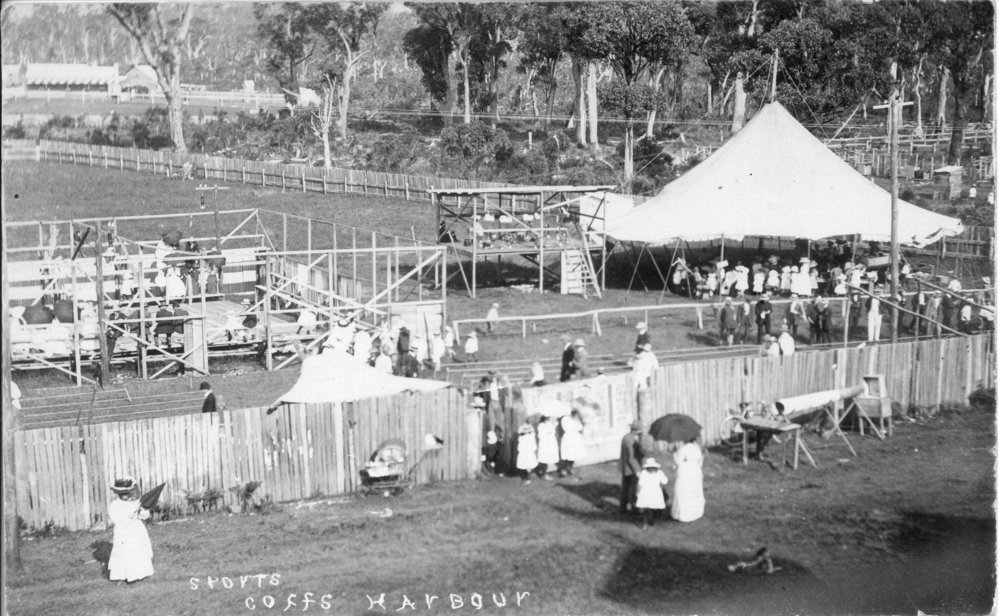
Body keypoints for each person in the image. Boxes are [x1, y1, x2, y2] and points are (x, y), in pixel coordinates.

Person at [107, 478, 154, 583]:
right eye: (121, 493)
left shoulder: (136, 503)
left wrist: (141, 512)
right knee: (123, 552)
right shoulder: (114, 505)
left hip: (136, 531)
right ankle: (123, 576)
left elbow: (145, 515)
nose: (124, 495)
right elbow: (115, 519)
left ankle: (138, 574)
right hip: (123, 532)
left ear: (129, 492)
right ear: (117, 493)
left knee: (137, 551)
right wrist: (128, 517)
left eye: (126, 492)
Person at [670, 438, 705, 523]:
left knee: (683, 491)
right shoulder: (697, 449)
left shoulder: (683, 448)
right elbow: (700, 463)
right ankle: (695, 512)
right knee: (694, 491)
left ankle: (683, 514)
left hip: (685, 471)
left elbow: (678, 462)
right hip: (695, 471)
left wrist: (674, 453)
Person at [635, 458, 669, 530]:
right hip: (655, 492)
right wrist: (660, 485)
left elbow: (640, 484)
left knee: (646, 508)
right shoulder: (659, 472)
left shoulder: (644, 472)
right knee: (653, 507)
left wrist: (638, 493)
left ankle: (646, 523)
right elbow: (665, 481)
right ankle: (651, 520)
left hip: (646, 492)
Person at [619, 421, 644, 514]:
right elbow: (631, 458)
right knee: (632, 488)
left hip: (626, 466)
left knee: (625, 486)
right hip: (630, 467)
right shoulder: (630, 440)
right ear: (636, 430)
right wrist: (637, 470)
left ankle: (623, 507)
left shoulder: (627, 437)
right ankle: (633, 508)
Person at [558, 410, 584, 477]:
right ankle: (564, 469)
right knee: (567, 454)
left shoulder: (576, 420)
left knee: (574, 454)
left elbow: (580, 427)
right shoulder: (565, 419)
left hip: (575, 439)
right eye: (575, 415)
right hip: (568, 438)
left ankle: (570, 468)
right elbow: (567, 428)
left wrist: (577, 421)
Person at [535, 416, 559, 480]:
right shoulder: (541, 425)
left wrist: (552, 426)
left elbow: (553, 432)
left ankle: (545, 473)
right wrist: (548, 432)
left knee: (548, 458)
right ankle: (544, 473)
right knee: (544, 458)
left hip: (550, 443)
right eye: (547, 418)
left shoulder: (551, 424)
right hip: (544, 443)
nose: (548, 419)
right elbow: (541, 435)